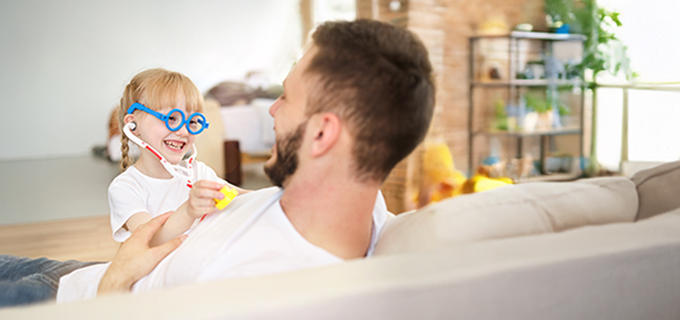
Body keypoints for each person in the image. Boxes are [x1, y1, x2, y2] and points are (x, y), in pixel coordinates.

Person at [0, 18, 434, 306]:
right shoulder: (369, 210)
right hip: (86, 274)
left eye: (284, 97)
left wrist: (112, 286)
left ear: (321, 133)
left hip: (78, 300)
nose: (271, 110)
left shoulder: (260, 286)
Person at [109, 68, 246, 246]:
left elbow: (242, 198)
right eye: (171, 118)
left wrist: (279, 193)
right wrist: (188, 212)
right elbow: (149, 242)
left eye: (192, 121)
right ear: (134, 124)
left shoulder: (198, 173)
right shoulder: (126, 188)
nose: (182, 131)